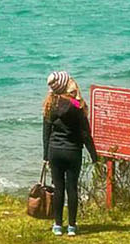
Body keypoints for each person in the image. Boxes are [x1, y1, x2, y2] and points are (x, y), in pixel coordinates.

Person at [41, 70, 98, 237]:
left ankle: (58, 225)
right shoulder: (76, 105)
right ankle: (72, 226)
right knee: (72, 188)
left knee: (58, 187)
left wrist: (45, 156)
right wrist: (94, 155)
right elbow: (85, 133)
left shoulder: (50, 104)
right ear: (66, 85)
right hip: (73, 151)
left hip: (55, 151)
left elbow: (46, 133)